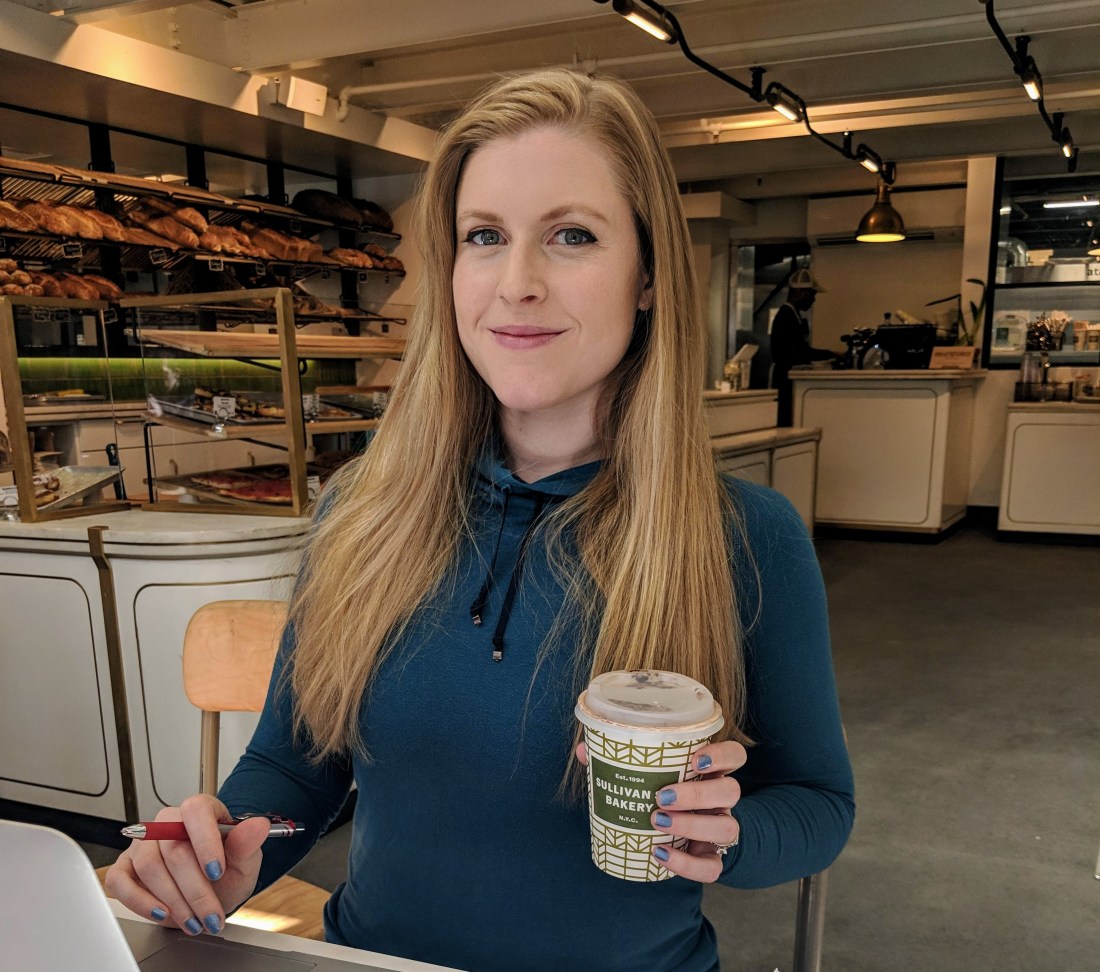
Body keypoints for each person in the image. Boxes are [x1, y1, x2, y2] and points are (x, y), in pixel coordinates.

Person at [106, 69, 854, 972]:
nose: (517, 283)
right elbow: (299, 771)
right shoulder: (362, 511)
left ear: (649, 275)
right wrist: (230, 849)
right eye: (484, 237)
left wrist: (731, 834)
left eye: (572, 235)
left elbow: (815, 804)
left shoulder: (743, 536)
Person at [769, 267, 835, 426]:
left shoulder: (793, 315)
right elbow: (799, 351)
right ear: (799, 293)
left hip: (787, 378)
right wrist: (830, 354)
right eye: (812, 294)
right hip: (785, 381)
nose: (813, 300)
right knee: (785, 422)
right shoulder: (786, 317)